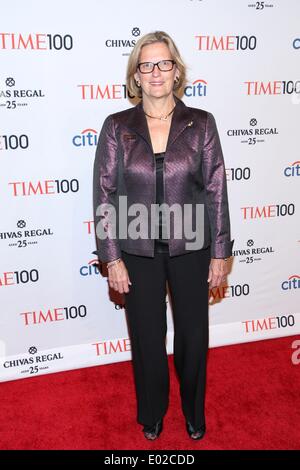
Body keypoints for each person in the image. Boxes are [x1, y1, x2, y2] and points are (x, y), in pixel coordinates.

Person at [93, 31, 234, 440]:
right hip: (136, 247)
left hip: (192, 243)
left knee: (193, 335)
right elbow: (104, 193)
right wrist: (112, 257)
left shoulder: (201, 123)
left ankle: (194, 412)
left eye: (164, 63)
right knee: (147, 339)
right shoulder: (117, 127)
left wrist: (220, 251)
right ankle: (152, 412)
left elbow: (216, 189)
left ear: (177, 71)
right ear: (136, 75)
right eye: (147, 65)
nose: (156, 72)